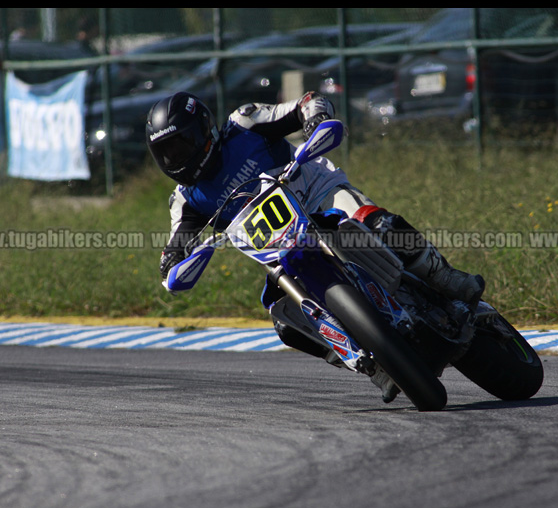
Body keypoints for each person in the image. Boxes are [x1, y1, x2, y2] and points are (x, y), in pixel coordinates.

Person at [147, 91, 484, 400]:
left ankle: (443, 275)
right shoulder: (186, 201)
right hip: (280, 249)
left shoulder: (245, 123)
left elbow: (307, 102)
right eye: (166, 153)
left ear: (204, 130)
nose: (175, 158)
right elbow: (177, 243)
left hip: (320, 196)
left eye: (180, 145)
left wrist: (315, 121)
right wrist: (173, 259)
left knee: (377, 223)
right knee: (285, 323)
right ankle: (378, 366)